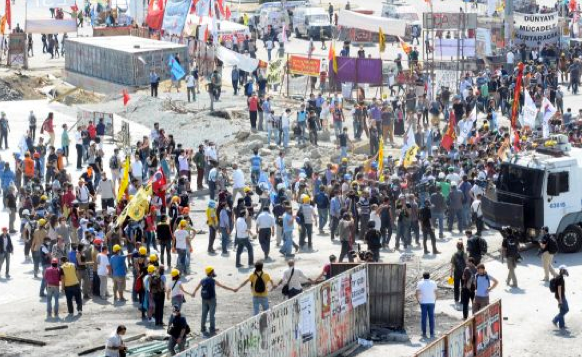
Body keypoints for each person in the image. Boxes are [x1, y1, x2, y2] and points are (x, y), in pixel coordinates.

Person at [190, 266, 236, 336]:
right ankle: (212, 329)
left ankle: (202, 328)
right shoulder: (213, 281)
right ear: (211, 273)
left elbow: (197, 287)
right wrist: (232, 289)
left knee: (204, 314)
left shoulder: (202, 280)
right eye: (213, 271)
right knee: (212, 315)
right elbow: (223, 286)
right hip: (212, 299)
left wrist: (193, 293)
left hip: (204, 299)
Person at [416, 272, 437, 339]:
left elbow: (416, 293)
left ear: (423, 276)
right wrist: (434, 300)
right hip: (431, 302)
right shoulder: (433, 283)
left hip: (423, 302)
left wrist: (418, 300)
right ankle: (432, 333)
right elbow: (436, 292)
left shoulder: (420, 283)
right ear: (429, 276)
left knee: (424, 318)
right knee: (431, 318)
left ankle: (424, 333)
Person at [450, 241, 466, 308]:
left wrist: (451, 274)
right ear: (462, 247)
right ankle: (462, 300)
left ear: (456, 247)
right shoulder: (465, 254)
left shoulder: (454, 255)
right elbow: (467, 263)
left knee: (456, 287)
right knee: (463, 287)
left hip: (456, 273)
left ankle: (456, 299)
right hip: (463, 272)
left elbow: (452, 265)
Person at [552, 265, 569, 330]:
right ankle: (555, 320)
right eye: (565, 270)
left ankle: (561, 325)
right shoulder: (560, 279)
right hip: (560, 296)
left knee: (562, 310)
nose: (566, 271)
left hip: (558, 296)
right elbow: (559, 289)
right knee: (566, 310)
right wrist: (560, 299)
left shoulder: (558, 277)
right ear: (562, 271)